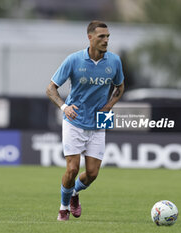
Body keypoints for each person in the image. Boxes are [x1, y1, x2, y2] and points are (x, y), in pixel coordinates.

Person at [46, 20, 125, 221]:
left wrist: (109, 106)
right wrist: (65, 107)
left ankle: (74, 194)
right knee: (72, 169)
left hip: (100, 119)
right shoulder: (74, 60)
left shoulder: (114, 61)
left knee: (92, 174)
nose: (106, 40)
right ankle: (63, 207)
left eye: (108, 36)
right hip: (74, 119)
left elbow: (120, 88)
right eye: (101, 36)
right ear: (90, 38)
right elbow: (50, 89)